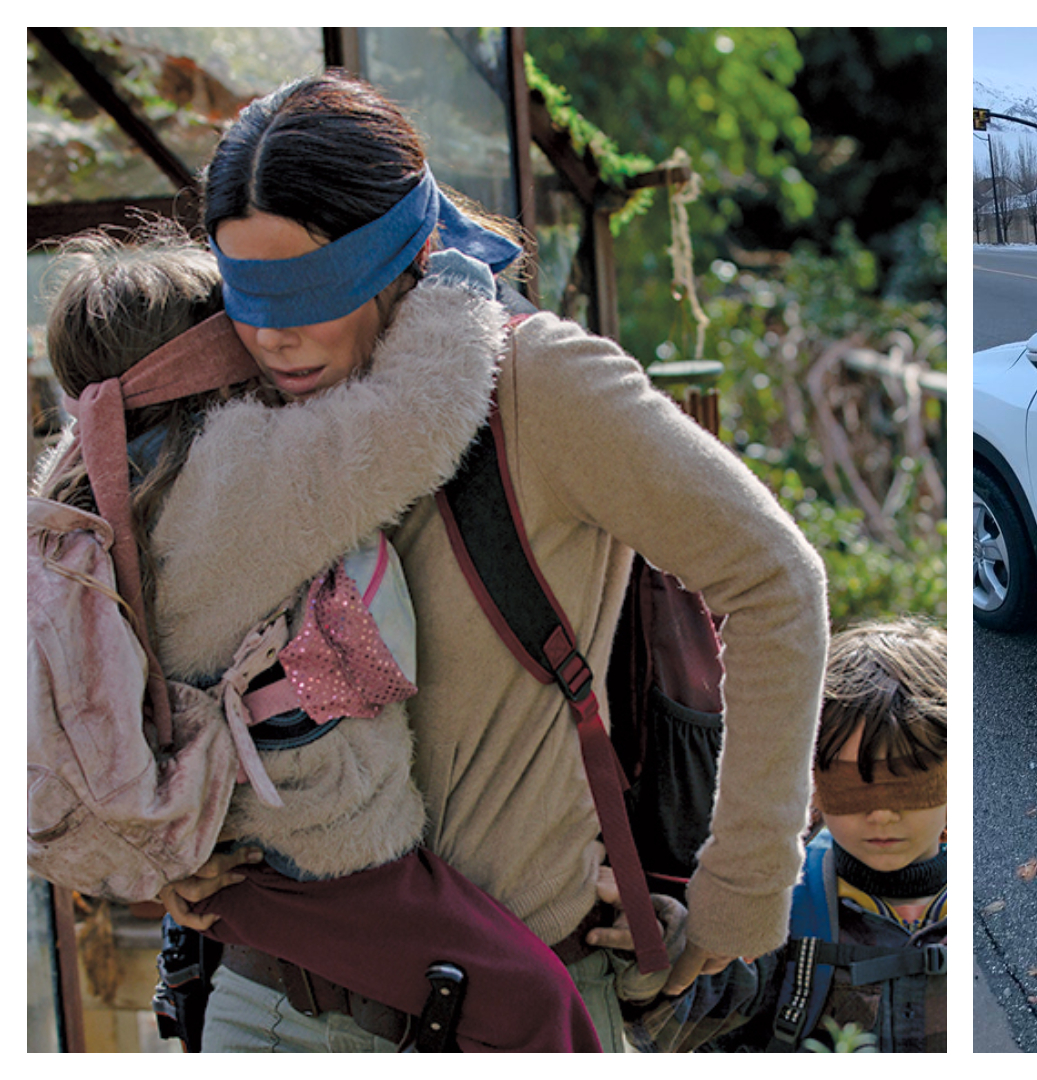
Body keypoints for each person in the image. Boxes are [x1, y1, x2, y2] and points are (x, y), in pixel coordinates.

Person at [156, 70, 829, 1053]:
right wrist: (155, 838)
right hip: (264, 998)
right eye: (247, 295)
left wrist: (745, 888)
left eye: (312, 291)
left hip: (501, 1004)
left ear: (405, 254)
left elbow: (777, 579)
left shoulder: (538, 384)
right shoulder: (231, 397)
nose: (273, 333)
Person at [32, 224, 602, 1052]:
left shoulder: (79, 478)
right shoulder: (226, 476)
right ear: (206, 353)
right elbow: (416, 419)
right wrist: (454, 281)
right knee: (543, 1010)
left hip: (222, 847)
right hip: (327, 856)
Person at [633, 619, 948, 1053]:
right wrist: (666, 941)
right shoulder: (777, 908)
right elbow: (683, 1017)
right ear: (811, 780)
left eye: (911, 780)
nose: (881, 812)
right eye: (850, 783)